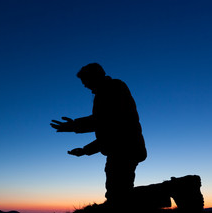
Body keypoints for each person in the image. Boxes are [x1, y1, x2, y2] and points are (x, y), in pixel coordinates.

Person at [50, 63, 147, 205]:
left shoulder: (114, 88)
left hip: (125, 150)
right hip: (121, 149)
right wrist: (85, 150)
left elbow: (107, 121)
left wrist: (74, 126)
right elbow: (108, 131)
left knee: (118, 196)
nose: (84, 85)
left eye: (85, 81)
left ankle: (170, 188)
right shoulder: (107, 91)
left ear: (94, 77)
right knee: (119, 194)